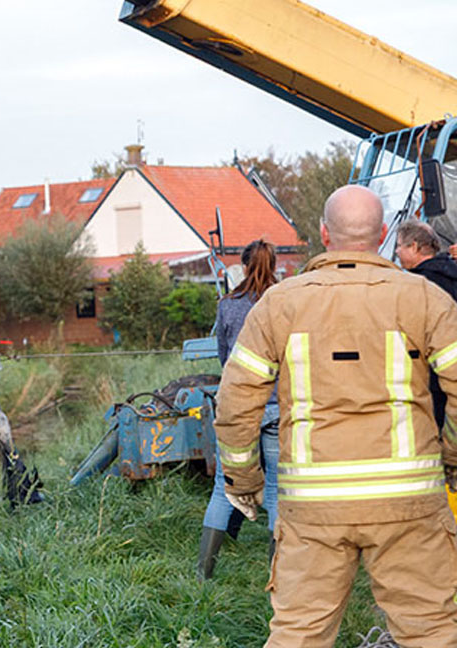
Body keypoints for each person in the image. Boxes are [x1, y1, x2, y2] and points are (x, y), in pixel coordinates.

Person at [216, 185, 457, 647]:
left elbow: (236, 401)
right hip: (407, 500)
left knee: (299, 634)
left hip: (313, 505)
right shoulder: (424, 299)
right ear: (384, 234)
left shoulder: (280, 304)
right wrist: (453, 454)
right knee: (430, 632)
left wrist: (242, 480)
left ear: (324, 233)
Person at [196, 239, 280, 580]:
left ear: (243, 267)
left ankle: (204, 573)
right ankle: (278, 573)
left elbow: (223, 356)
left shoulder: (227, 305)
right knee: (277, 489)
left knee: (223, 488)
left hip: (236, 409)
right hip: (276, 405)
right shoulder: (283, 302)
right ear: (274, 266)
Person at [397, 219, 457, 429]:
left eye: (399, 245)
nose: (396, 252)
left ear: (414, 246)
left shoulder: (417, 286)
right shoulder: (451, 273)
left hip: (430, 380)